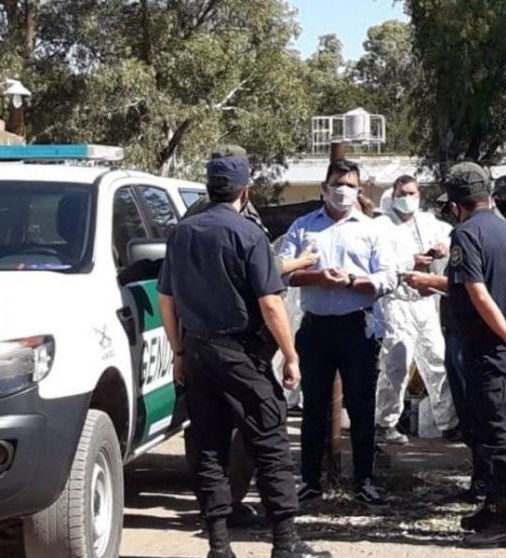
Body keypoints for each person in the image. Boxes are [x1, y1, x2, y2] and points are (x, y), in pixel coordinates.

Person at [157, 155, 329, 558]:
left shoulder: (181, 233)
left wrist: (179, 351)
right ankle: (285, 543)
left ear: (209, 188)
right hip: (241, 353)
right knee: (270, 442)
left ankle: (219, 546)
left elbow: (167, 300)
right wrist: (291, 355)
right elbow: (270, 303)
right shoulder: (248, 234)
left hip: (198, 350)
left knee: (209, 447)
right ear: (245, 190)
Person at [405, 162, 506, 547]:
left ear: (457, 203)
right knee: (487, 424)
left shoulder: (465, 234)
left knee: (498, 431)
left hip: (486, 344)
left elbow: (479, 294)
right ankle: (492, 506)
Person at [278, 159, 396, 509]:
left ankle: (365, 482)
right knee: (312, 408)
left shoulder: (373, 229)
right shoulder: (303, 227)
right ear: (324, 189)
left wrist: (355, 281)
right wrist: (317, 277)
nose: (343, 191)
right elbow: (282, 274)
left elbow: (389, 278)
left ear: (360, 191)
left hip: (358, 326)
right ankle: (311, 481)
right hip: (316, 327)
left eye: (350, 185)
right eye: (337, 184)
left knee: (361, 408)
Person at [373, 175, 459, 445]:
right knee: (396, 364)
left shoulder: (428, 222)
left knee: (437, 359)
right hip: (397, 302)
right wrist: (411, 260)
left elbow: (450, 234)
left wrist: (443, 247)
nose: (407, 198)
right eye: (402, 193)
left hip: (425, 300)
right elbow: (380, 262)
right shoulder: (382, 225)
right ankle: (385, 422)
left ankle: (448, 422)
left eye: (412, 193)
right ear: (394, 193)